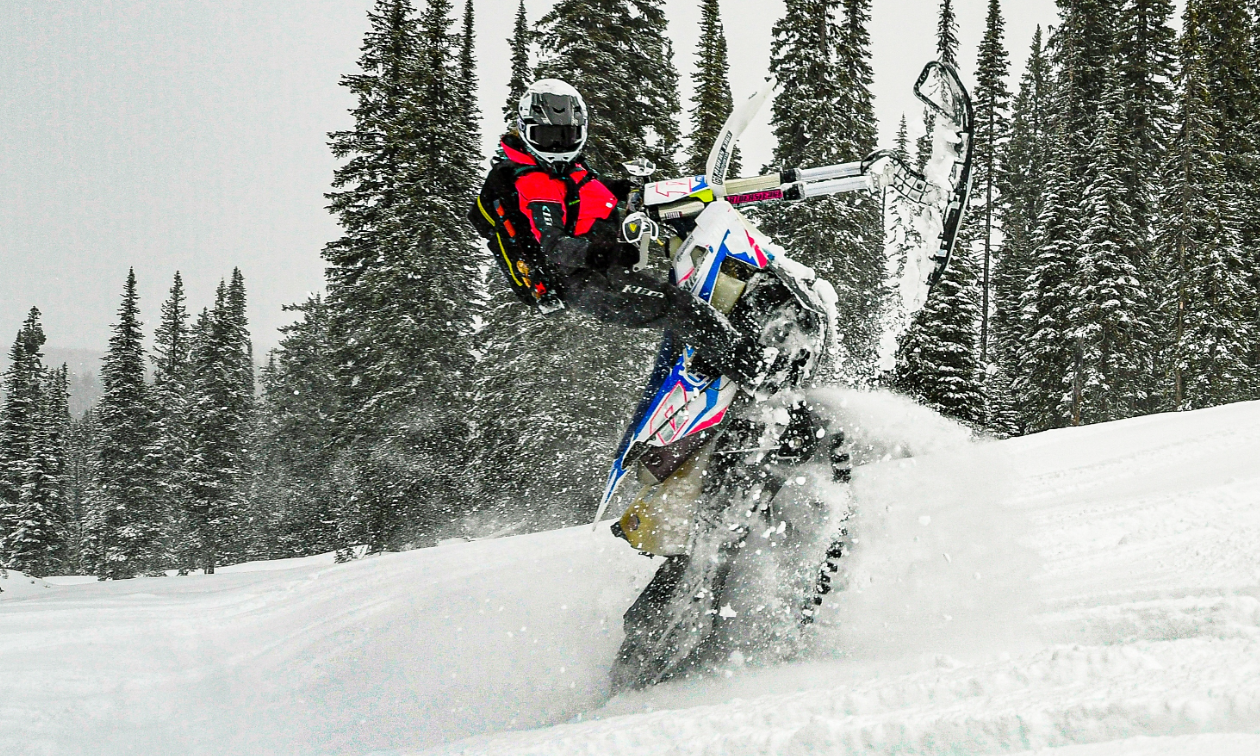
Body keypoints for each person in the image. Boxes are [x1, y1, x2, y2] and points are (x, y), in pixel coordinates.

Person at [468, 79, 763, 384]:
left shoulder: (562, 171)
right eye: (546, 137)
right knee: (678, 307)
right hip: (582, 284)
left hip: (601, 271)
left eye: (566, 137)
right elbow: (554, 246)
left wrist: (623, 190)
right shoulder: (534, 182)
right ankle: (756, 373)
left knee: (683, 288)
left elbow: (585, 191)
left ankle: (719, 355)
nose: (557, 148)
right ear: (526, 133)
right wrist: (599, 253)